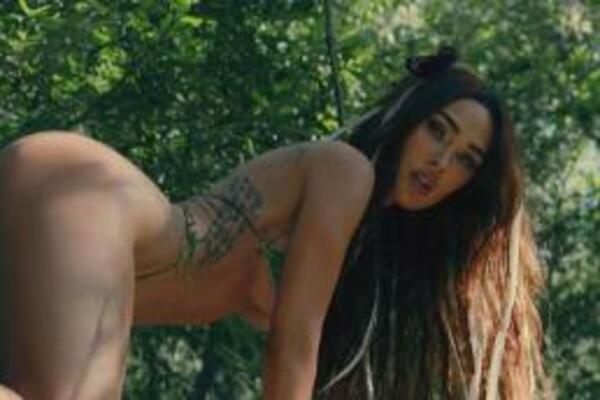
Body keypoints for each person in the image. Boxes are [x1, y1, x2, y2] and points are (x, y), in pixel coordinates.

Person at [0, 48, 551, 399]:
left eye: (466, 159)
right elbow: (292, 346)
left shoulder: (346, 250)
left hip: (61, 206)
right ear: (407, 119)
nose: (442, 160)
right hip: (91, 200)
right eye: (438, 129)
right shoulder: (345, 171)